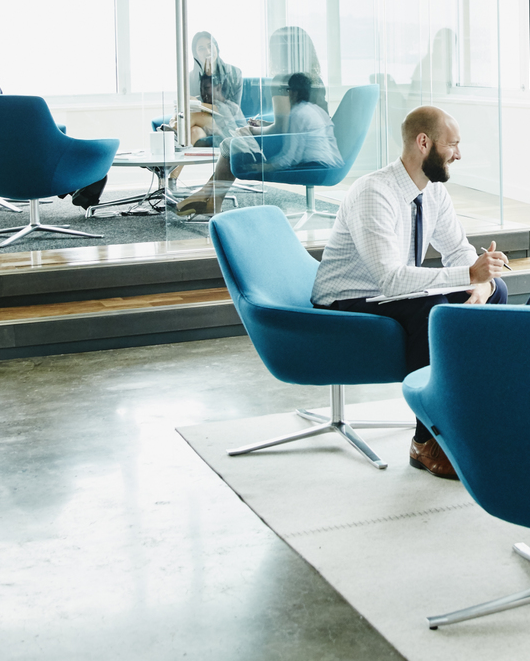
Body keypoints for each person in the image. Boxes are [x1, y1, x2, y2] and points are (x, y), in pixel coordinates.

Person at [311, 105, 509, 478]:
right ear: (424, 143)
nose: (459, 155)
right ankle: (426, 440)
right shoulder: (374, 193)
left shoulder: (432, 192)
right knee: (431, 310)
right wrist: (468, 273)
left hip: (391, 294)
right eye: (452, 145)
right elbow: (390, 280)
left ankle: (467, 420)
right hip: (348, 299)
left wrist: (481, 282)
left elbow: (458, 249)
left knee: (496, 293)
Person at [0, 38, 104, 207]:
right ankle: (76, 186)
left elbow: (3, 117)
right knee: (36, 148)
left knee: (43, 137)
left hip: (4, 139)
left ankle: (76, 184)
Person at [173, 73, 339, 217]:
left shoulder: (298, 114)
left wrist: (266, 167)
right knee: (231, 144)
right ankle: (211, 200)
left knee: (232, 145)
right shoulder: (309, 110)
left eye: (283, 91)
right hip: (321, 161)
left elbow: (290, 156)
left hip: (313, 165)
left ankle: (208, 198)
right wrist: (262, 126)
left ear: (293, 92)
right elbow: (287, 134)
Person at [183, 30, 245, 146]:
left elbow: (233, 109)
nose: (207, 51)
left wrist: (199, 104)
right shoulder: (191, 77)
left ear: (216, 48)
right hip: (201, 122)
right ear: (195, 54)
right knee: (194, 132)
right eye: (201, 48)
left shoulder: (234, 72)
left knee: (186, 120)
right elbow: (192, 107)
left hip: (228, 122)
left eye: (210, 46)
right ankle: (175, 165)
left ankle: (174, 132)